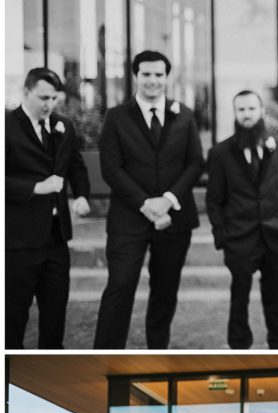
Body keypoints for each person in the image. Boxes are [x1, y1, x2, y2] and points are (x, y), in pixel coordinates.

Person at [94, 50, 204, 349]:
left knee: (165, 291)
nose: (153, 80)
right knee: (120, 285)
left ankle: (158, 352)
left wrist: (167, 200)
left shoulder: (184, 115)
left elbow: (195, 163)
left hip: (174, 219)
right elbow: (110, 168)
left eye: (158, 74)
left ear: (166, 77)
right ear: (136, 76)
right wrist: (146, 203)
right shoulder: (116, 117)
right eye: (146, 74)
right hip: (128, 218)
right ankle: (106, 352)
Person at [5, 66, 90, 349]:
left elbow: (76, 167)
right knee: (13, 317)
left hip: (56, 238)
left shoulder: (63, 126)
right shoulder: (6, 126)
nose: (49, 105)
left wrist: (81, 196)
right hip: (18, 241)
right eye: (43, 98)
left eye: (54, 99)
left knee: (55, 314)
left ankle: (50, 363)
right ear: (25, 92)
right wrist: (34, 188)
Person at [206, 90, 278, 349]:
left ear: (261, 112)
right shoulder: (220, 153)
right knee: (239, 297)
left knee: (274, 299)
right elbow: (214, 200)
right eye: (241, 110)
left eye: (251, 109)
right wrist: (222, 237)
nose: (247, 114)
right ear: (235, 114)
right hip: (239, 239)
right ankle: (238, 346)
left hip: (277, 238)